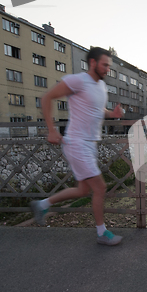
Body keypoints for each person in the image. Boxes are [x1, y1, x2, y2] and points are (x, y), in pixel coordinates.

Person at [30, 47, 124, 246]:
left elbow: (97, 110)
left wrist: (112, 114)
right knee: (100, 187)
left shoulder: (101, 87)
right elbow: (46, 98)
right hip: (76, 143)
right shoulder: (78, 80)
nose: (108, 69)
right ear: (93, 63)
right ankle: (101, 233)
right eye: (105, 64)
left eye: (109, 65)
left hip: (89, 144)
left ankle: (41, 205)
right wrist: (52, 130)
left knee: (83, 190)